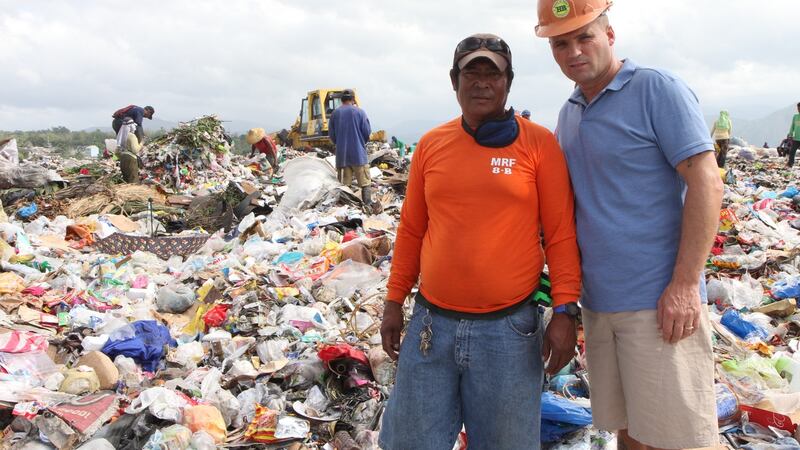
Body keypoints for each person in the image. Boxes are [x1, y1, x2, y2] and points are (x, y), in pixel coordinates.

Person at [535, 1, 724, 449]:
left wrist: (683, 285)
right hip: (601, 305)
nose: (574, 51)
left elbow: (707, 183)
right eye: (561, 43)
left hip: (658, 305)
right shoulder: (570, 113)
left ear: (610, 34)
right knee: (630, 431)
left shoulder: (656, 89)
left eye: (585, 37)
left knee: (678, 437)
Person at [378, 33, 581, 450]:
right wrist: (394, 301)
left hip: (509, 331)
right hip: (431, 327)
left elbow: (560, 235)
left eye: (494, 74)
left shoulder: (539, 144)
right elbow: (413, 229)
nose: (482, 83)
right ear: (455, 81)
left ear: (509, 82)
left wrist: (565, 312)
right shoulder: (432, 145)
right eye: (472, 72)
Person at [328, 89, 380, 212]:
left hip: (343, 156)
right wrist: (360, 142)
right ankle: (367, 205)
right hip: (359, 155)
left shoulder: (335, 114)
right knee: (365, 183)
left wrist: (340, 144)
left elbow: (331, 135)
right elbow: (367, 133)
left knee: (344, 186)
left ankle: (347, 209)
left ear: (341, 99)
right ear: (353, 99)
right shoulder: (360, 112)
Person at [115, 119, 142, 183]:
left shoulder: (120, 136)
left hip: (123, 159)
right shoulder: (131, 136)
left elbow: (116, 152)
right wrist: (141, 144)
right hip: (131, 159)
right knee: (133, 180)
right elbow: (135, 150)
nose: (135, 128)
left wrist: (120, 158)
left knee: (126, 179)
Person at [787, 102, 800, 167]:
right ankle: (790, 164)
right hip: (796, 138)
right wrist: (790, 135)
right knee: (792, 151)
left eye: (799, 108)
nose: (798, 109)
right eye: (798, 108)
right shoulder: (795, 116)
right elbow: (792, 126)